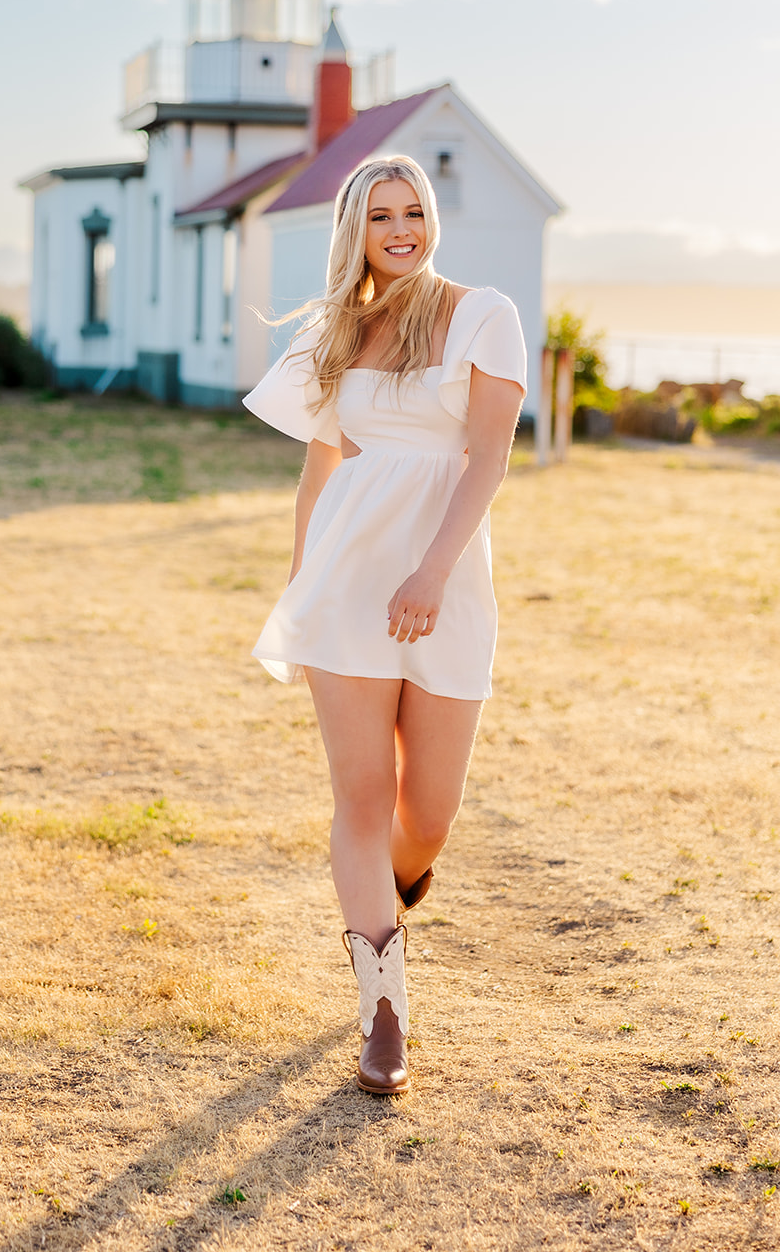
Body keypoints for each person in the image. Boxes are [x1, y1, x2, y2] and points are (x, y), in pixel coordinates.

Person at [243, 155, 526, 1095]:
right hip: (348, 580)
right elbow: (320, 469)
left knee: (426, 815)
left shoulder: (482, 313)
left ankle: (399, 887)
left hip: (443, 578)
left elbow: (485, 457)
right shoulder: (339, 329)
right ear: (354, 231)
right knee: (361, 796)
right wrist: (301, 584)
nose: (400, 230)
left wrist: (432, 572)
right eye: (379, 217)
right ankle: (384, 1015)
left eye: (413, 212)